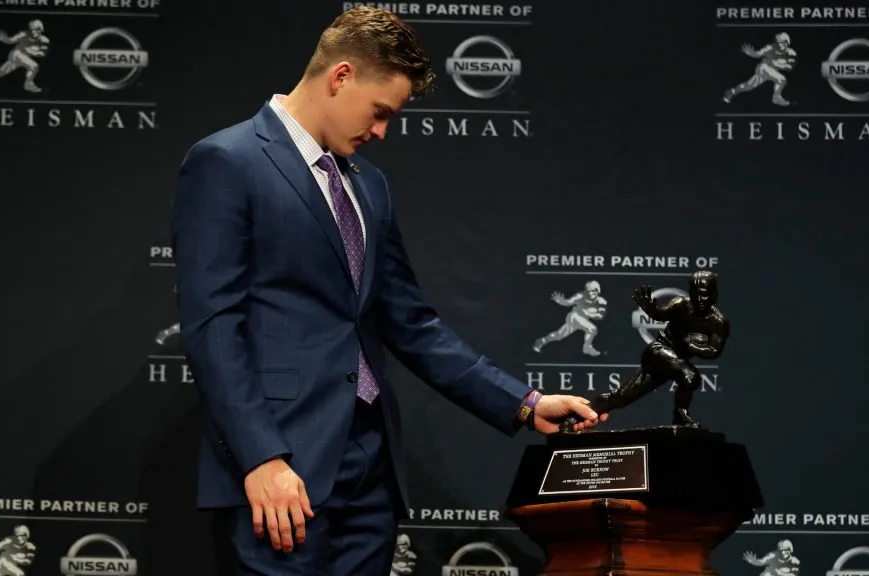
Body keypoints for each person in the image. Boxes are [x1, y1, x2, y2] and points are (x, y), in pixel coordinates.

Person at [170, 6, 607, 575]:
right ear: (342, 75)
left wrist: (523, 404)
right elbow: (213, 326)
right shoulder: (226, 162)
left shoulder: (369, 185)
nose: (381, 132)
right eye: (380, 113)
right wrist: (262, 459)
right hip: (284, 470)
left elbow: (411, 322)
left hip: (371, 471)